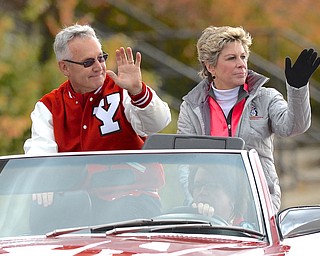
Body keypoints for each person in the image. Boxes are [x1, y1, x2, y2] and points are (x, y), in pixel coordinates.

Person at [177, 25, 320, 213]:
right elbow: (183, 161)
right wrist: (193, 204)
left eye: (243, 57)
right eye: (231, 58)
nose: (241, 64)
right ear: (210, 66)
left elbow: (294, 127)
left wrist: (298, 89)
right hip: (211, 205)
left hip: (259, 203)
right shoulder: (191, 107)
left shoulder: (266, 97)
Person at [24, 24, 171, 154]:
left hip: (135, 184)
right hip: (78, 185)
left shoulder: (123, 89)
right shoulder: (49, 106)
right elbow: (39, 157)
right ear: (65, 67)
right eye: (88, 62)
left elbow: (158, 124)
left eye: (101, 58)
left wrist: (138, 91)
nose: (98, 67)